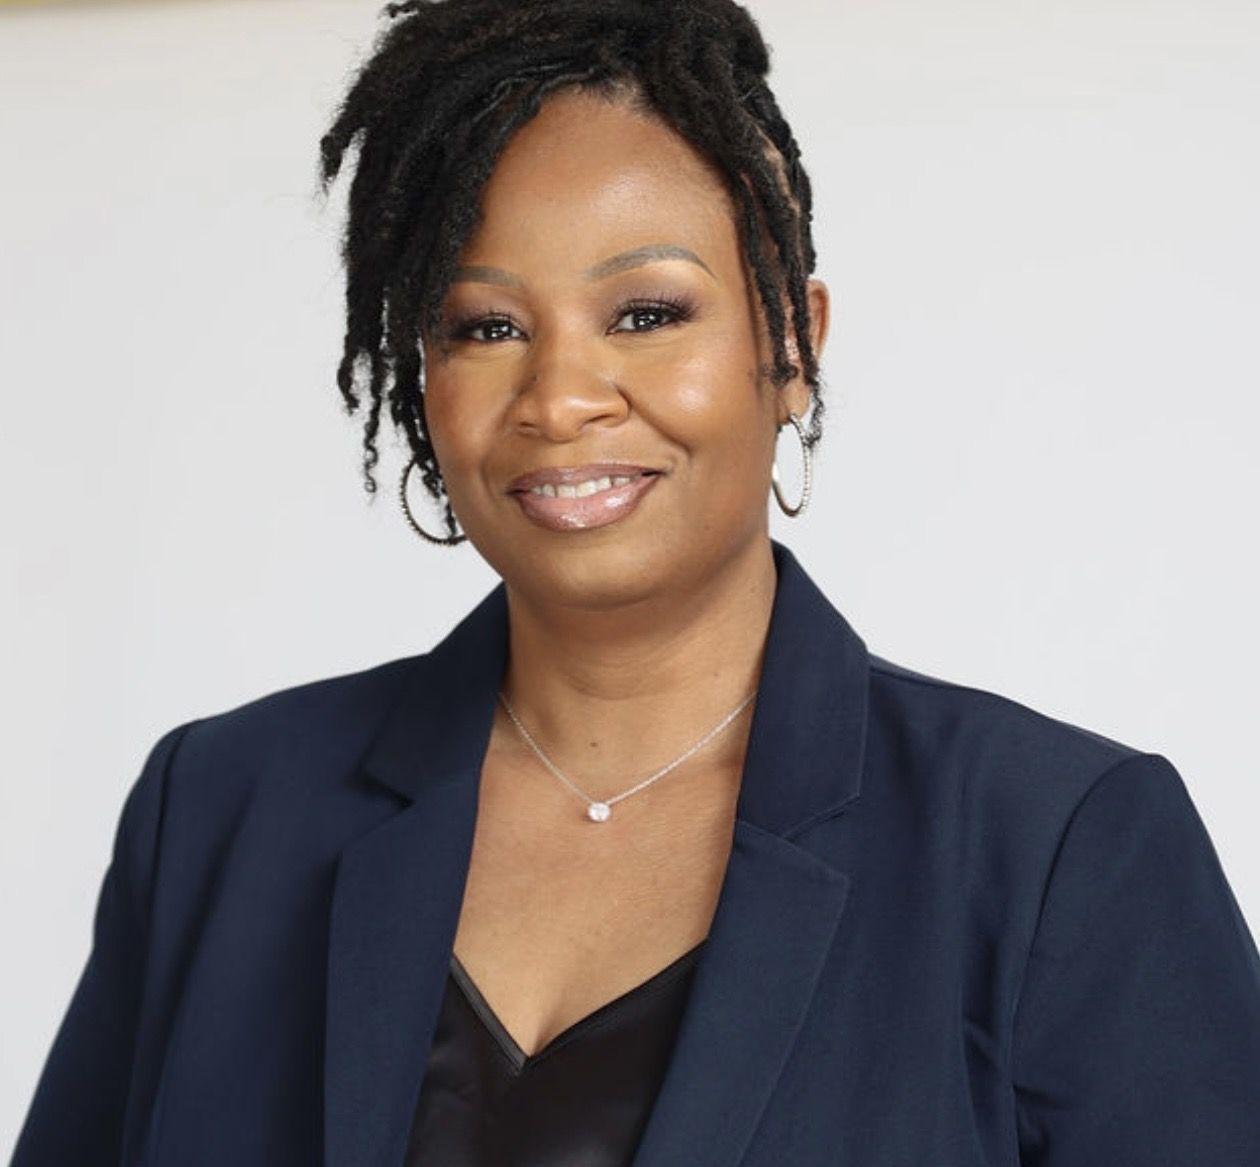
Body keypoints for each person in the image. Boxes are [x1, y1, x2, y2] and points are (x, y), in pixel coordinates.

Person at [12, 1, 1260, 1164]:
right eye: (486, 327)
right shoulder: (220, 811)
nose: (559, 398)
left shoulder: (1060, 849)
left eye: (648, 313)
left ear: (793, 343)